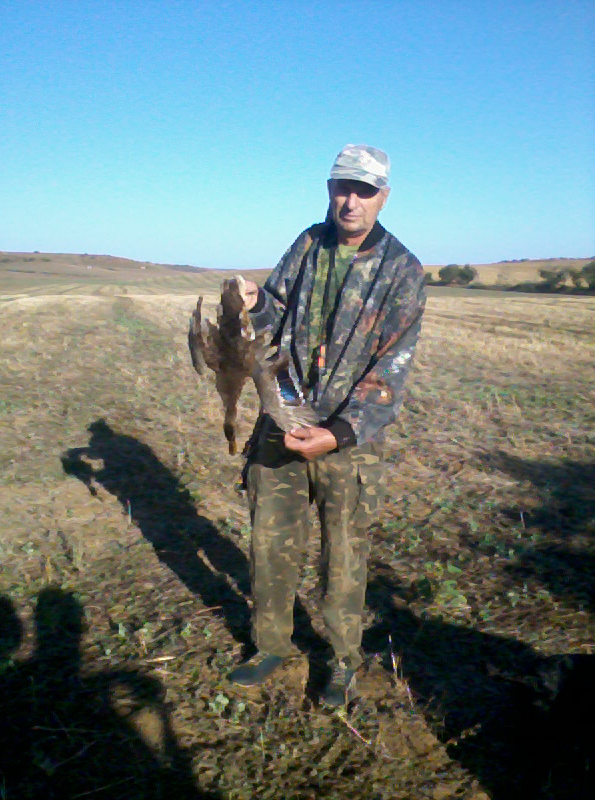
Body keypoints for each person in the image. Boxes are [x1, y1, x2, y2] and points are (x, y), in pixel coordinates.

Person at [228, 144, 426, 706]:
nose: (351, 201)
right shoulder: (308, 244)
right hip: (282, 419)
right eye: (343, 187)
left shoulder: (402, 270)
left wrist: (337, 433)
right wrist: (253, 303)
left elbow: (391, 369)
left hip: (347, 439)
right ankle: (270, 645)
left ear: (384, 197)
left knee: (343, 554)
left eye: (365, 190)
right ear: (329, 189)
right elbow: (274, 314)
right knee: (270, 542)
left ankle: (342, 659)